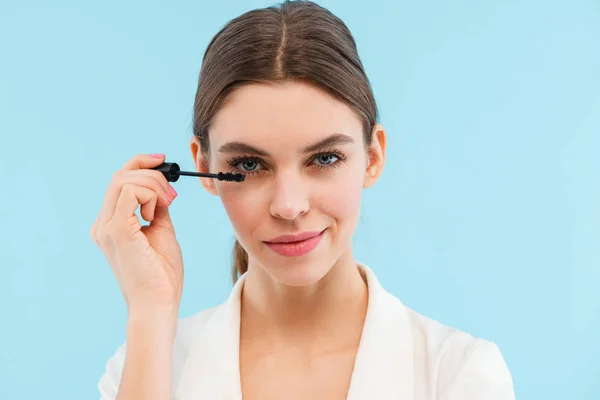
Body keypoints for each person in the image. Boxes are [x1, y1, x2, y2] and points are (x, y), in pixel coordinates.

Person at [92, 1, 515, 399]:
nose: (289, 206)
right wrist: (151, 314)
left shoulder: (458, 373)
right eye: (249, 165)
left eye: (325, 158)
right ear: (203, 167)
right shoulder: (143, 367)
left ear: (373, 156)